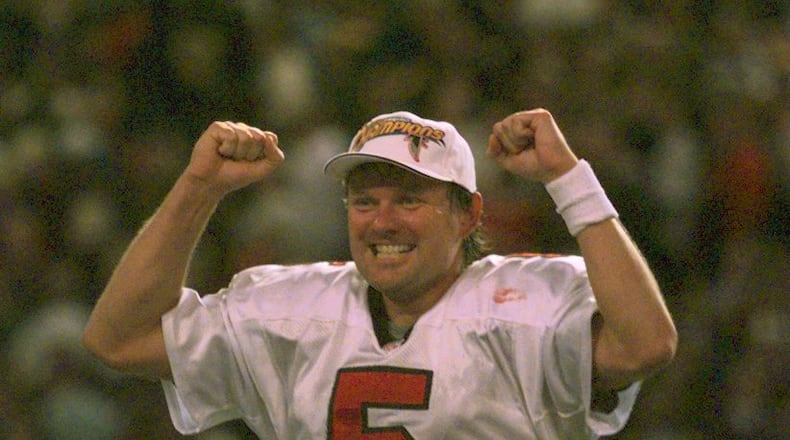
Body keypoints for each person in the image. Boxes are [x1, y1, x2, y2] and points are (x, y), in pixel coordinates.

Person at [83, 109, 677, 439]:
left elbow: (647, 344)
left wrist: (569, 180)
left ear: (468, 213)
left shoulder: (521, 304)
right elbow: (119, 338)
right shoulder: (296, 309)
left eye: (410, 199)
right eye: (365, 201)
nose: (382, 221)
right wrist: (198, 189)